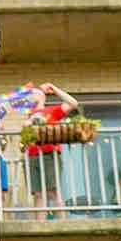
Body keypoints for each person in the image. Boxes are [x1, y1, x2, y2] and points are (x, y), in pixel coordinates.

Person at [23, 82, 80, 218]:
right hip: (32, 156)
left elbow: (73, 103)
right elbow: (24, 142)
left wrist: (54, 89)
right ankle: (39, 226)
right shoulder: (28, 116)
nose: (30, 96)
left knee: (53, 191)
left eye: (34, 93)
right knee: (38, 193)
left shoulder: (51, 111)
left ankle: (62, 223)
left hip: (49, 154)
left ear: (42, 96)